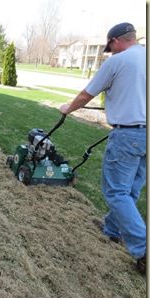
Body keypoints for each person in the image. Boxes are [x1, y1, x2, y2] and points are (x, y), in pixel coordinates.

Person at [59, 22, 146, 275]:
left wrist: (68, 108)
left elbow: (88, 93)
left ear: (117, 40)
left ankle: (143, 249)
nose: (110, 51)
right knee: (131, 189)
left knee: (116, 192)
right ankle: (112, 230)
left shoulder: (118, 62)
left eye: (110, 46)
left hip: (128, 133)